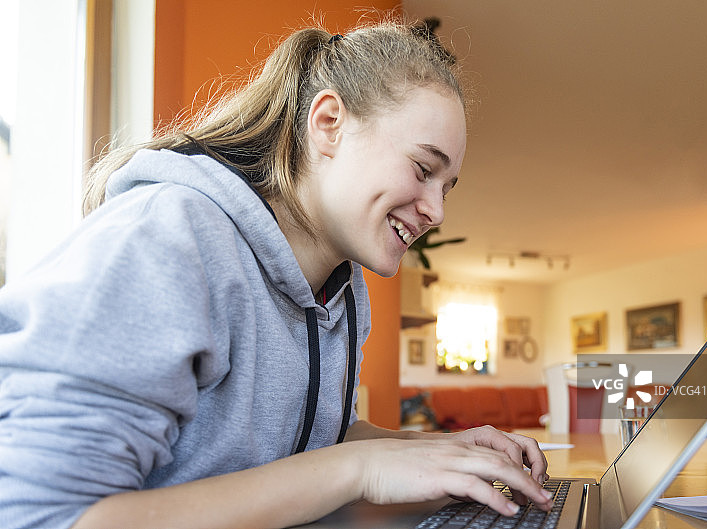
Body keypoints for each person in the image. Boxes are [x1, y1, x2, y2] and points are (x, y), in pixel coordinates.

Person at [0, 19, 552, 529]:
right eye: (423, 169)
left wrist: (439, 455)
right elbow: (42, 515)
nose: (436, 210)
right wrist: (359, 469)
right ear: (329, 124)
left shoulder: (340, 289)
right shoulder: (165, 238)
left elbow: (307, 442)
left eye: (446, 187)